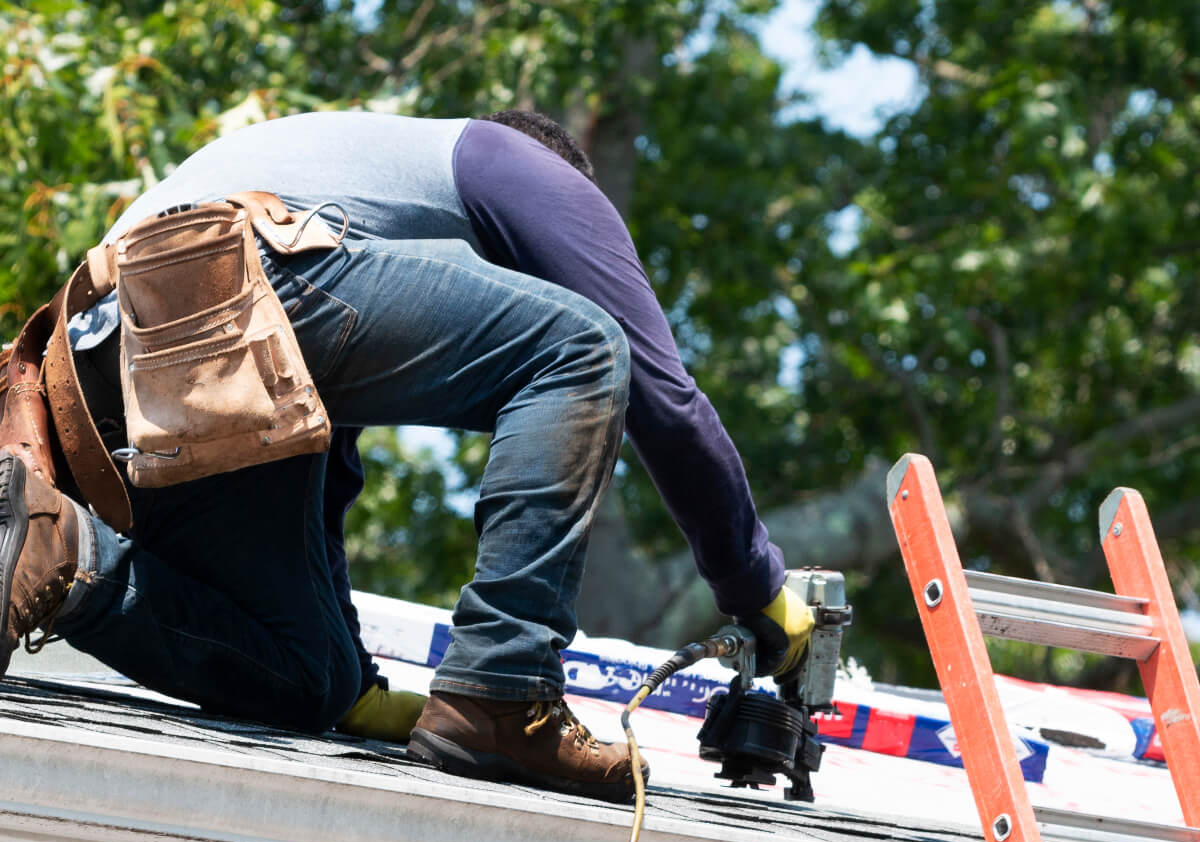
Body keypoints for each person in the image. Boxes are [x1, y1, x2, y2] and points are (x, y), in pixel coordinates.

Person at [0, 110, 814, 802]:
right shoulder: (527, 169)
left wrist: (357, 686)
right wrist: (760, 590)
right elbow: (667, 405)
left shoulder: (356, 179)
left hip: (101, 369)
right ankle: (504, 691)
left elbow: (316, 484)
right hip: (231, 284)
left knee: (306, 677)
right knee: (586, 347)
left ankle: (60, 551)